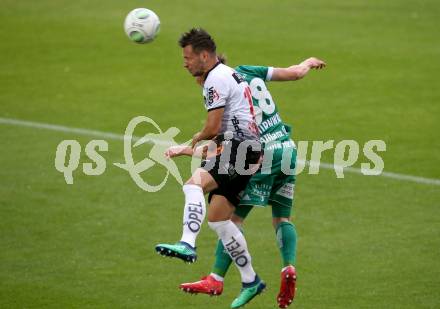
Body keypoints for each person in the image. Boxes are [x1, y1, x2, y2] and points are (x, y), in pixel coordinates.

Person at [166, 55, 326, 308]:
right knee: (282, 218)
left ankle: (217, 278)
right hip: (287, 148)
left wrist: (186, 149)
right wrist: (306, 63)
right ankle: (289, 266)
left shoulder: (223, 93)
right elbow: (294, 73)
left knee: (230, 219)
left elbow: (222, 144)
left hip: (260, 154)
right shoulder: (247, 71)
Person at [155, 28, 266, 308]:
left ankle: (187, 244)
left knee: (193, 184)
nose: (185, 63)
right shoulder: (227, 74)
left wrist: (195, 137)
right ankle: (251, 280)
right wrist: (188, 148)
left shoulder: (214, 80)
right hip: (246, 150)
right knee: (218, 220)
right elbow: (220, 138)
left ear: (204, 56)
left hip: (240, 149)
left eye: (188, 57)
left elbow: (213, 128)